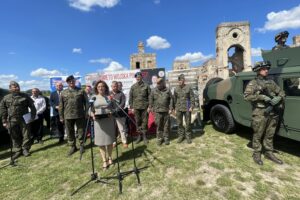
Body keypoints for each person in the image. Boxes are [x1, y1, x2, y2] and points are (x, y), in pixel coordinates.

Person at [244, 61, 285, 165]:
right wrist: (261, 97)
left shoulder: (271, 82)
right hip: (260, 113)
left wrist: (278, 97)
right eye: (264, 69)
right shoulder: (253, 83)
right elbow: (247, 96)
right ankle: (257, 153)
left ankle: (268, 152)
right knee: (258, 133)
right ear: (258, 71)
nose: (266, 70)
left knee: (270, 134)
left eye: (267, 69)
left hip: (273, 112)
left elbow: (281, 92)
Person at [0, 81, 36, 158]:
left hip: (24, 119)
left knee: (26, 135)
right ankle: (17, 150)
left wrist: (32, 116)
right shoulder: (6, 98)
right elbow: (3, 110)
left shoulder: (25, 96)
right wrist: (4, 121)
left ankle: (25, 149)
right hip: (12, 120)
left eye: (18, 87)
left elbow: (32, 107)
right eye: (15, 87)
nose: (17, 88)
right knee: (14, 135)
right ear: (10, 88)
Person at [59, 75, 88, 156]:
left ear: (75, 81)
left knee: (81, 130)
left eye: (73, 81)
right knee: (69, 132)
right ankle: (72, 146)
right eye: (69, 81)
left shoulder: (81, 91)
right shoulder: (63, 92)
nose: (71, 82)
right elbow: (61, 105)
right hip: (67, 115)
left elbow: (86, 103)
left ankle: (82, 145)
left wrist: (86, 113)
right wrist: (61, 117)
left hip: (79, 114)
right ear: (67, 82)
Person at [91, 80, 116, 169]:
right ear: (96, 88)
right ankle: (104, 160)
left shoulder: (109, 97)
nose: (101, 88)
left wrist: (111, 112)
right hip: (98, 123)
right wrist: (92, 114)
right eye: (99, 87)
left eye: (102, 86)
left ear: (105, 87)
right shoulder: (93, 98)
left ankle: (110, 158)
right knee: (101, 143)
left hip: (108, 121)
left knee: (109, 142)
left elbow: (114, 108)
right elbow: (89, 110)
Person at [129, 72, 151, 144]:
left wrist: (149, 106)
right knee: (138, 122)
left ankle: (144, 136)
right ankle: (139, 136)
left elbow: (150, 97)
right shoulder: (133, 87)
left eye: (139, 77)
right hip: (136, 108)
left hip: (145, 107)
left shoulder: (146, 86)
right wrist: (131, 107)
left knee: (145, 122)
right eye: (137, 77)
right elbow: (130, 98)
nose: (138, 78)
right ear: (136, 78)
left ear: (142, 77)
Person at [149, 78, 173, 145]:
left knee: (166, 126)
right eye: (157, 83)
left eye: (159, 83)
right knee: (159, 126)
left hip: (166, 111)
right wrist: (151, 108)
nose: (158, 85)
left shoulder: (167, 90)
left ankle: (166, 139)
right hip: (157, 111)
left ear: (163, 83)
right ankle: (159, 139)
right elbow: (150, 99)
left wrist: (171, 108)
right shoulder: (153, 90)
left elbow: (171, 99)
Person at [173, 74, 195, 144]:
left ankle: (188, 136)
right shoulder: (176, 89)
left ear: (184, 80)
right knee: (179, 123)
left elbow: (192, 97)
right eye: (179, 80)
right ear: (178, 81)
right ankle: (181, 136)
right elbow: (175, 99)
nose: (180, 81)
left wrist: (192, 106)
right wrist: (174, 108)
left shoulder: (188, 88)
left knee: (188, 123)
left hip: (187, 108)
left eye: (182, 80)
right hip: (179, 108)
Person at [111, 81, 128, 148]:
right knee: (112, 129)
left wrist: (116, 109)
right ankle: (114, 142)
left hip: (120, 114)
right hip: (111, 115)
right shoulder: (109, 94)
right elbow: (107, 103)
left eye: (115, 86)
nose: (114, 87)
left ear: (117, 86)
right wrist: (111, 110)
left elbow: (122, 104)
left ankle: (124, 142)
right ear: (111, 86)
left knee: (122, 129)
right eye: (113, 86)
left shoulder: (121, 94)